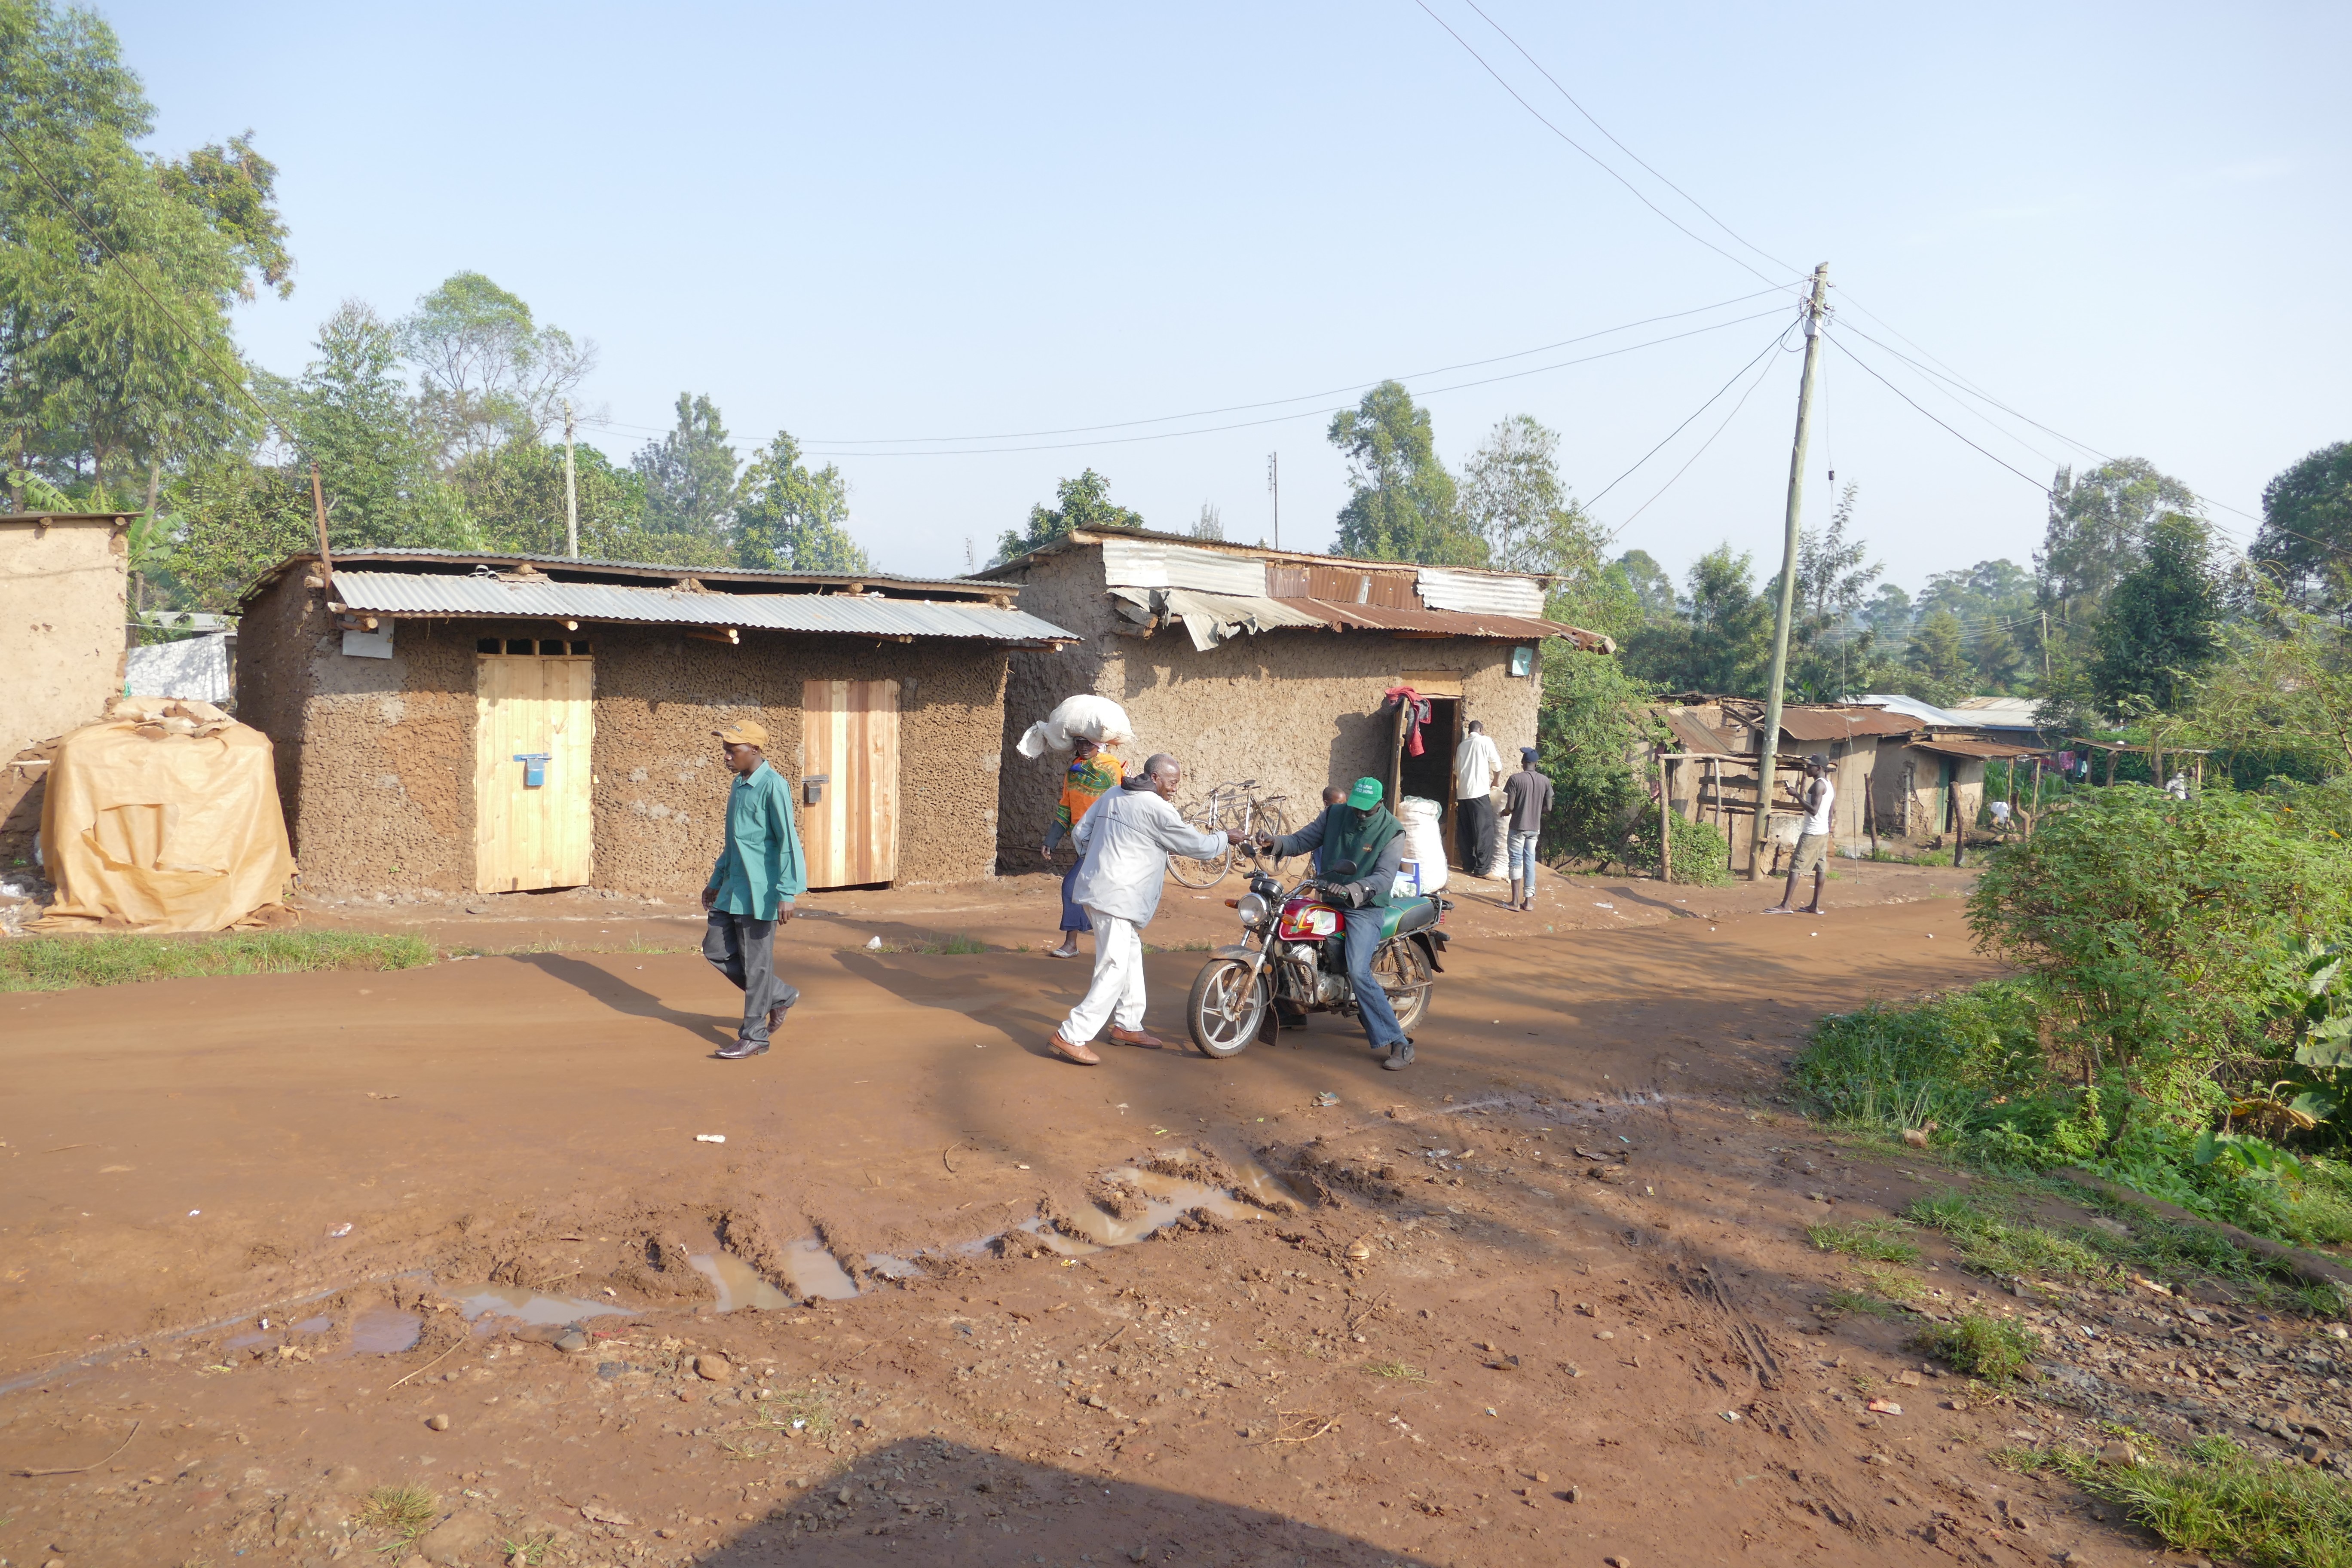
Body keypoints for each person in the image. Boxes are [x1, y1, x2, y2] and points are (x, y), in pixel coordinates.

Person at [1047, 753, 1242, 1066]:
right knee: (1114, 967)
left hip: (1101, 891)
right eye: (1172, 782)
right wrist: (1225, 838)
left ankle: (1128, 1025)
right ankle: (1071, 1035)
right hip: (1117, 898)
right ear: (1155, 778)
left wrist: (1097, 861)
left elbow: (1081, 833)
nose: (1175, 788)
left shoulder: (1113, 794)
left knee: (1130, 954)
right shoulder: (1157, 809)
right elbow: (1198, 846)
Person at [1262, 777, 1417, 1071]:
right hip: (1330, 898)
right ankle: (1292, 1010)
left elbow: (1384, 876)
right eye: (1355, 807)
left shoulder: (1392, 831)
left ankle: (1400, 1042)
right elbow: (1302, 840)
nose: (1358, 814)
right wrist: (1276, 843)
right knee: (1283, 937)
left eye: (1365, 810)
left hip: (1365, 908)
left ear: (1379, 804)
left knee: (1359, 972)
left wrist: (1354, 890)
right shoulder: (1335, 814)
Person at [700, 719, 806, 1060]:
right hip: (734, 887)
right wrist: (716, 880)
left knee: (757, 964)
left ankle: (755, 1036)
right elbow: (733, 843)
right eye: (725, 751)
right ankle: (780, 995)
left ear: (755, 750)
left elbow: (788, 842)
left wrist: (787, 892)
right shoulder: (739, 785)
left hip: (761, 892)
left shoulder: (774, 786)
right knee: (716, 949)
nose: (727, 757)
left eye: (733, 751)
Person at [1040, 735, 1120, 959]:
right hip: (1084, 843)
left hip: (1104, 842)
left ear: (1100, 744)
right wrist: (1051, 840)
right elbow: (1066, 808)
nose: (1084, 748)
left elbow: (1119, 807)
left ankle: (1071, 944)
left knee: (1072, 887)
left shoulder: (1112, 770)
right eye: (1079, 743)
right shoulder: (1073, 772)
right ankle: (1116, 947)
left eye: (1089, 743)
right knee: (1097, 895)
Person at [1764, 753, 1834, 916]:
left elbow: (1814, 810)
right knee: (1820, 868)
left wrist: (1797, 795)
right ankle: (1814, 906)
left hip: (1812, 833)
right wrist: (1828, 830)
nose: (1808, 768)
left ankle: (1786, 905)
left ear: (1819, 768)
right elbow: (1830, 811)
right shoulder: (1828, 785)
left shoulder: (1818, 786)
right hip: (1822, 832)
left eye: (1811, 766)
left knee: (1795, 867)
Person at [1501, 746, 1553, 912]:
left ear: (1523, 763)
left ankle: (1515, 903)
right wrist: (1537, 811)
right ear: (1536, 764)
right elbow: (1549, 808)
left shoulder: (1515, 779)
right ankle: (1528, 903)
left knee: (1516, 861)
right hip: (1534, 829)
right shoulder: (1545, 781)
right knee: (1530, 862)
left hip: (1518, 827)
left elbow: (1510, 806)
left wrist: (1505, 812)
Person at [1454, 719, 1504, 878]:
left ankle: (1468, 865)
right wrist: (1496, 780)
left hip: (1463, 794)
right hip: (1479, 793)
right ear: (1481, 729)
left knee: (1465, 831)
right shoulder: (1485, 741)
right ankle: (1483, 869)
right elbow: (1497, 764)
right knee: (1484, 831)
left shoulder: (1461, 746)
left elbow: (1456, 771)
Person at [1310, 784, 1346, 874]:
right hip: (1323, 870)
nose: (1344, 807)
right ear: (1326, 804)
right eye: (1339, 803)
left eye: (1345, 803)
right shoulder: (1323, 823)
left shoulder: (1342, 820)